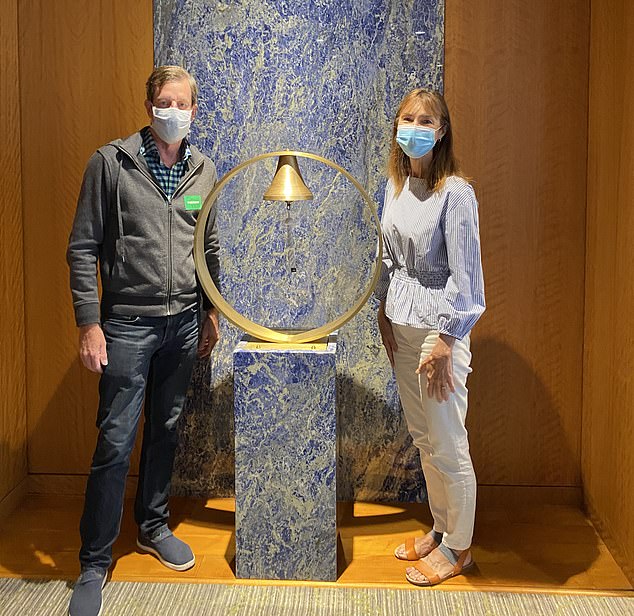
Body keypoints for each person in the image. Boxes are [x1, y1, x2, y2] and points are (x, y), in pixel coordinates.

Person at [66, 65, 220, 616]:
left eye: (183, 104)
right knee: (115, 438)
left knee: (168, 428)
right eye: (164, 102)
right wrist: (90, 322)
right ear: (150, 105)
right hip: (127, 323)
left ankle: (152, 526)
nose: (173, 112)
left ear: (194, 111)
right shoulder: (111, 164)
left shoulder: (204, 172)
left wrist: (209, 312)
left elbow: (210, 247)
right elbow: (83, 248)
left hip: (183, 322)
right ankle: (93, 560)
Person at [375, 88, 485, 586]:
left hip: (438, 333)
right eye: (407, 118)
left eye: (426, 120)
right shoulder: (394, 186)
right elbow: (389, 256)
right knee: (423, 438)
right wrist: (382, 306)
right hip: (401, 324)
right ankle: (440, 530)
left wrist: (446, 339)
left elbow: (467, 277)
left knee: (447, 441)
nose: (415, 126)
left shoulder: (456, 192)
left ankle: (459, 546)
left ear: (440, 132)